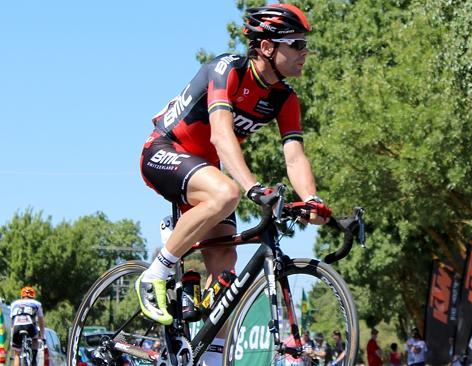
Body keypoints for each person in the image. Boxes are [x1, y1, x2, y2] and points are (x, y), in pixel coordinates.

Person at [135, 3, 330, 325]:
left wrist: (312, 200)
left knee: (226, 275)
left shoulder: (284, 97)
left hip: (204, 168)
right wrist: (252, 187)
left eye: (305, 44)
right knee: (227, 193)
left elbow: (294, 156)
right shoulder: (227, 70)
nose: (304, 52)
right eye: (296, 44)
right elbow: (222, 136)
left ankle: (203, 352)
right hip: (164, 150)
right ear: (266, 46)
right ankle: (156, 272)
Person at [10, 286, 45, 366]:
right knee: (35, 338)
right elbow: (41, 320)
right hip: (30, 326)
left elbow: (12, 320)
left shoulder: (14, 304)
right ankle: (34, 359)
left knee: (17, 355)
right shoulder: (37, 303)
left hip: (17, 327)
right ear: (33, 296)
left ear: (22, 296)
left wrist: (12, 333)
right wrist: (42, 335)